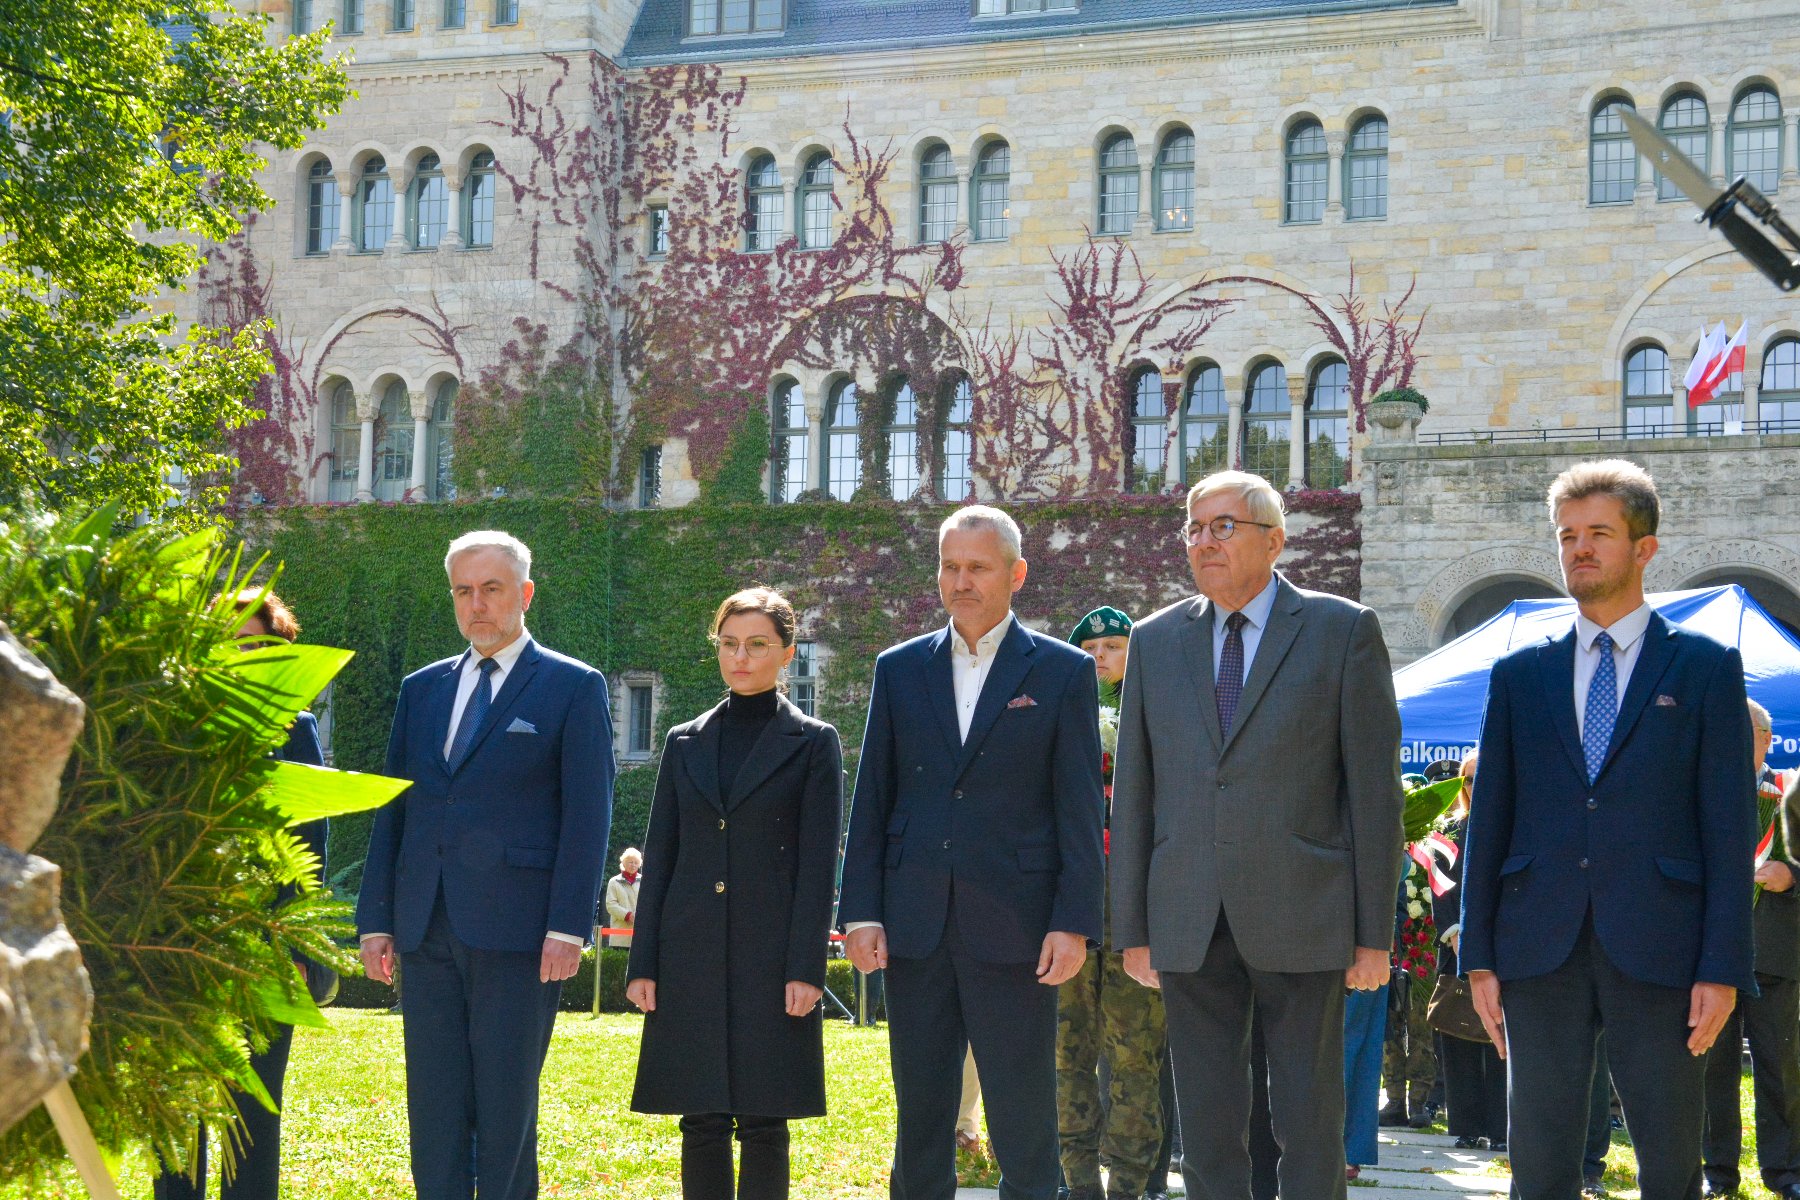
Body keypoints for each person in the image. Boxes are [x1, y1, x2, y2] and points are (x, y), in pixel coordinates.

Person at [1461, 459, 1757, 1200]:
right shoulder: (1518, 674)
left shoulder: (1705, 669)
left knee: (1667, 1161)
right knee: (1539, 1160)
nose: (1579, 549)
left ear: (1644, 548)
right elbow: (1488, 822)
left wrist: (1722, 969)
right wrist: (1478, 955)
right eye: (1567, 536)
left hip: (1664, 951)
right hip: (1536, 949)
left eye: (1598, 533)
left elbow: (1728, 832)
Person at [1110, 469, 1406, 1200]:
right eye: (1193, 527)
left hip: (1305, 914)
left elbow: (1373, 794)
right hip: (1189, 916)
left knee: (1309, 1121)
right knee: (1208, 1128)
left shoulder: (1343, 631)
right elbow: (1137, 794)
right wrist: (1133, 928)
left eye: (1222, 527)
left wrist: (1375, 936)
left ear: (1274, 541)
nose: (1202, 541)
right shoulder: (1153, 641)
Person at [840, 504, 1105, 1200]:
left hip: (1018, 930)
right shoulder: (898, 669)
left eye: (978, 568)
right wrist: (860, 911)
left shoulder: (1061, 672)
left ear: (1015, 574)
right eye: (950, 567)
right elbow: (874, 798)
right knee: (921, 1120)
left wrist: (1074, 920)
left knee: (1025, 1123)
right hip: (914, 926)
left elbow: (1080, 809)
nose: (962, 581)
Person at [356, 530, 615, 1200]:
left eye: (492, 589)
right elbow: (396, 809)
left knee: (505, 1110)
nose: (478, 605)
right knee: (433, 1107)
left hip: (522, 935)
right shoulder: (422, 689)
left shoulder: (571, 686)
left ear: (523, 594)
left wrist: (568, 926)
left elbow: (589, 817)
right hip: (425, 927)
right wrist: (376, 918)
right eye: (464, 591)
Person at [626, 587, 843, 1200]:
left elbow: (817, 866)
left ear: (786, 654)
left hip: (772, 957)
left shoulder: (813, 743)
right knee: (700, 1117)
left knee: (766, 1118)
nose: (739, 657)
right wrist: (644, 964)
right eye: (728, 644)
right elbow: (661, 855)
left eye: (756, 645)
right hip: (689, 951)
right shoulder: (682, 741)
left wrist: (806, 968)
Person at [154, 589, 327, 1200]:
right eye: (226, 644)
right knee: (177, 1108)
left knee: (254, 1109)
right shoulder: (168, 720)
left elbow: (312, 840)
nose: (240, 656)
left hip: (265, 950)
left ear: (278, 652)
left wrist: (299, 946)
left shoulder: (296, 727)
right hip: (174, 946)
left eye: (254, 644)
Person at [1056, 605, 1165, 1200]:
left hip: (1134, 909)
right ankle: (1078, 1182)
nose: (1101, 657)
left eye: (1114, 646)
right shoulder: (1056, 714)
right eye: (1090, 647)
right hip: (1069, 907)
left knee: (1133, 1057)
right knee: (1065, 1053)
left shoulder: (1158, 716)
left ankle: (1127, 1183)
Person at [1702, 698, 1800, 1199]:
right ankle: (1717, 1171)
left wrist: (1792, 875)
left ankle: (1785, 1172)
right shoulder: (1701, 790)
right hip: (1712, 956)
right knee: (1712, 1070)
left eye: (1747, 732)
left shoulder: (1790, 793)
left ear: (1767, 737)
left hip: (1776, 956)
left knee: (1780, 1067)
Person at [1430, 753, 1507, 1154]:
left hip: (1506, 949)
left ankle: (1501, 1128)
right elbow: (1441, 888)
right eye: (1470, 780)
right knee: (1459, 1036)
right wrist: (1456, 934)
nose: (1476, 787)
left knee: (1501, 1040)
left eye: (1484, 779)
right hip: (1457, 947)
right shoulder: (1446, 831)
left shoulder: (1513, 826)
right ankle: (1464, 1125)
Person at [606, 847, 643, 948]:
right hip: (620, 937)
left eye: (636, 862)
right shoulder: (614, 882)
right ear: (624, 863)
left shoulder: (644, 881)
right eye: (630, 862)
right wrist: (627, 915)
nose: (633, 865)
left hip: (640, 935)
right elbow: (611, 905)